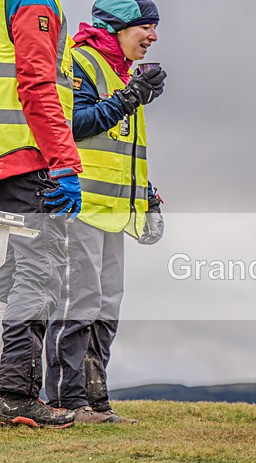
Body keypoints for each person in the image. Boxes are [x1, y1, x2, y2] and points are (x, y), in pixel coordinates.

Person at [44, 0, 166, 424]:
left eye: (154, 29)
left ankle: (95, 402)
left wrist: (145, 194)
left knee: (108, 305)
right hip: (78, 208)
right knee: (80, 302)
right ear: (116, 26)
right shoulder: (81, 61)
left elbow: (118, 149)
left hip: (115, 213)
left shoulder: (124, 74)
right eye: (145, 27)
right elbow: (73, 124)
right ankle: (65, 402)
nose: (152, 36)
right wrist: (130, 98)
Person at [0, 0, 83, 428]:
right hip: (22, 162)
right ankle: (15, 395)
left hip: (7, 161)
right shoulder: (34, 4)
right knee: (36, 272)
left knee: (14, 274)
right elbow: (36, 83)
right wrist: (64, 161)